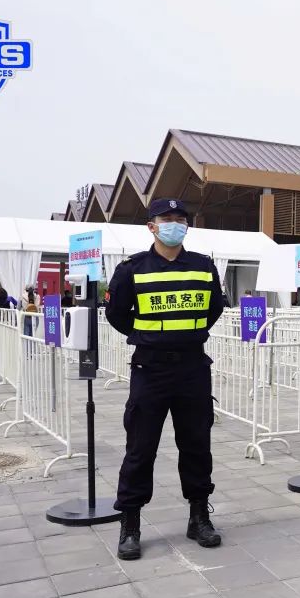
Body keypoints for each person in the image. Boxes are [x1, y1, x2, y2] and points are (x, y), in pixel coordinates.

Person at [105, 198, 225, 561]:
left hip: (192, 368)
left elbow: (213, 309)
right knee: (141, 448)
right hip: (150, 369)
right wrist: (151, 337)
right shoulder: (132, 269)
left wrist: (185, 335)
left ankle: (199, 515)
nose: (174, 223)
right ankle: (130, 523)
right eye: (166, 218)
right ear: (151, 226)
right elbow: (116, 314)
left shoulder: (204, 267)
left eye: (180, 219)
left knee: (196, 445)